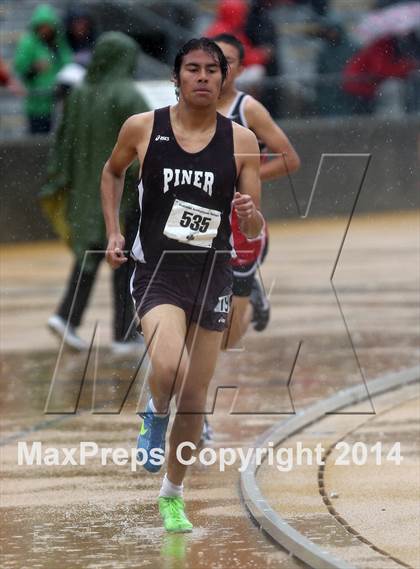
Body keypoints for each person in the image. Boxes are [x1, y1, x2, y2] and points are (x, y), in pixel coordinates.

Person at [101, 37, 264, 532]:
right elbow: (112, 174)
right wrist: (113, 230)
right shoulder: (143, 128)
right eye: (191, 69)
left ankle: (172, 494)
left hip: (212, 272)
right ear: (177, 77)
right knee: (169, 366)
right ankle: (154, 411)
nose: (201, 77)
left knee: (195, 398)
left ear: (222, 78)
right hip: (157, 270)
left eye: (211, 70)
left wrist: (249, 215)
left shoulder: (241, 141)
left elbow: (254, 228)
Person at [41, 32, 149, 353]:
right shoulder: (128, 95)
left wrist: (68, 177)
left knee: (89, 254)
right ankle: (123, 333)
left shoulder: (79, 94)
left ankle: (67, 317)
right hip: (121, 191)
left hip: (85, 188)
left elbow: (62, 142)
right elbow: (146, 145)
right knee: (124, 259)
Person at [211, 34, 300, 349]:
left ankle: (251, 299)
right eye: (212, 61)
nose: (218, 67)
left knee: (225, 338)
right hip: (199, 224)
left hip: (241, 227)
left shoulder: (247, 109)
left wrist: (247, 176)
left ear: (241, 68)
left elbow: (290, 159)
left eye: (228, 61)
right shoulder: (189, 107)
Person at [14, 4, 72, 134]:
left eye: (48, 26)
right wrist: (34, 67)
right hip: (36, 100)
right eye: (42, 27)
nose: (45, 31)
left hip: (56, 98)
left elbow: (67, 62)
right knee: (37, 135)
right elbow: (20, 67)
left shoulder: (58, 42)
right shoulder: (28, 43)